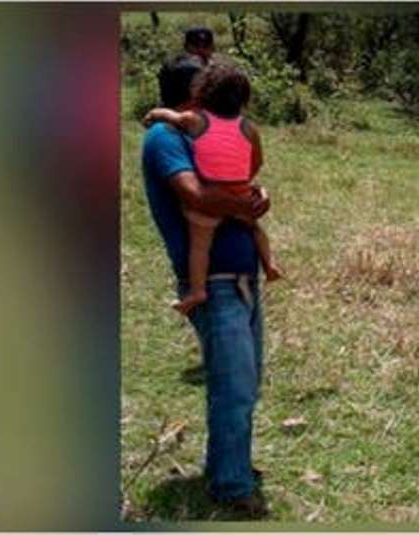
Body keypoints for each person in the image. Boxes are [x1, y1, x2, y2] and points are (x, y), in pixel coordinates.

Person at [141, 55, 269, 518]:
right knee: (234, 385)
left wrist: (255, 195)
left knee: (247, 381)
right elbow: (197, 195)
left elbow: (236, 177)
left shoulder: (205, 132)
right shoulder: (164, 136)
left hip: (241, 276)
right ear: (193, 91)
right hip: (213, 282)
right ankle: (230, 485)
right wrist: (243, 207)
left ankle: (231, 465)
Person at [144, 61, 282, 315]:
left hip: (211, 201)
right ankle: (270, 264)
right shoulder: (249, 128)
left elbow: (169, 116)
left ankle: (197, 291)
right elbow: (257, 161)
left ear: (204, 94)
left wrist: (155, 114)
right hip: (239, 191)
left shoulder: (195, 122)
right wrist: (244, 188)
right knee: (256, 227)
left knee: (199, 246)